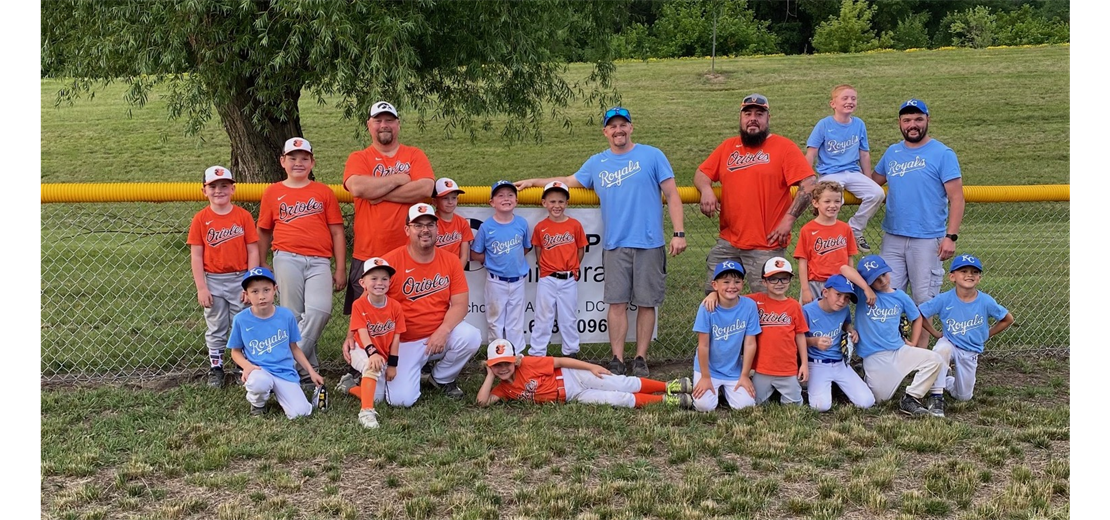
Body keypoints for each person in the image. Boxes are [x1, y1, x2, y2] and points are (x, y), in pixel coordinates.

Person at [514, 106, 687, 377]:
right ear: (605, 131)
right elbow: (569, 181)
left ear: (631, 127)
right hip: (615, 243)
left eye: (623, 125)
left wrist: (679, 233)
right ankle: (617, 358)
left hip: (650, 242)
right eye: (612, 126)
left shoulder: (652, 155)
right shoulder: (597, 162)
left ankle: (640, 357)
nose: (618, 130)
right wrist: (535, 181)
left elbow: (673, 195)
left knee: (646, 302)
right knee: (616, 303)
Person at [695, 93, 817, 295]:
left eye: (759, 114)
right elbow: (701, 173)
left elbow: (810, 183)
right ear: (741, 118)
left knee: (766, 305)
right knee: (714, 298)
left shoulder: (784, 147)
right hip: (729, 242)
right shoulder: (728, 147)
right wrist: (706, 189)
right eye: (748, 113)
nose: (753, 118)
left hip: (766, 245)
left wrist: (789, 219)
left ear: (768, 118)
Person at [873, 98, 965, 349]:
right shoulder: (892, 153)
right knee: (887, 296)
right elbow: (872, 182)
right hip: (893, 236)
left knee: (923, 302)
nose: (912, 125)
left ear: (927, 120)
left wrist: (951, 236)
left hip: (927, 239)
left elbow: (957, 198)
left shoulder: (942, 153)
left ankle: (920, 359)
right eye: (907, 120)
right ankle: (889, 353)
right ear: (900, 123)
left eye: (918, 119)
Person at [257, 137, 346, 383]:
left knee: (320, 311)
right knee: (292, 316)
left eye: (304, 158)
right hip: (287, 257)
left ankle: (286, 365)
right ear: (282, 161)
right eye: (293, 158)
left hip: (319, 261)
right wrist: (260, 263)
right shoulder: (273, 192)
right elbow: (264, 230)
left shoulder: (323, 192)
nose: (299, 163)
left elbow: (337, 231)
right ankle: (308, 370)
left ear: (312, 162)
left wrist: (340, 267)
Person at [381, 203, 482, 404]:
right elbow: (369, 306)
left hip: (438, 335)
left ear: (438, 229)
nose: (425, 230)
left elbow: (461, 304)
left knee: (471, 336)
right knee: (400, 400)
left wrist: (443, 330)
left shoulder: (451, 261)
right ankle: (411, 373)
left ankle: (442, 378)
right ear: (407, 229)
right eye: (418, 225)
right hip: (404, 342)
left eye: (430, 224)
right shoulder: (390, 262)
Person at [342, 100, 435, 317]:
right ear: (369, 125)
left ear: (398, 124)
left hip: (409, 253)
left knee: (409, 316)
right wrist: (400, 179)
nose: (384, 125)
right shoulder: (359, 157)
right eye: (378, 120)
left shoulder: (414, 155)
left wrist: (379, 193)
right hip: (368, 252)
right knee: (366, 318)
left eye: (389, 120)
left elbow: (425, 188)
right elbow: (358, 187)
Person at [843, 254, 948, 417]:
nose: (883, 281)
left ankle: (911, 397)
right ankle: (863, 372)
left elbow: (917, 317)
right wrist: (865, 288)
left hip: (898, 350)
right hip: (874, 355)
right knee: (880, 399)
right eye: (876, 279)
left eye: (884, 275)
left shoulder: (900, 296)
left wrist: (913, 342)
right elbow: (844, 269)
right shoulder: (864, 294)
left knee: (934, 359)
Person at [187, 165, 260, 388]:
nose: (219, 190)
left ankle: (243, 367)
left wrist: (250, 284)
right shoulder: (201, 219)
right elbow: (197, 255)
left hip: (240, 278)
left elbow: (253, 250)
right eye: (213, 186)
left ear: (233, 189)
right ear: (204, 191)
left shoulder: (243, 216)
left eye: (224, 186)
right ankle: (216, 367)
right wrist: (202, 287)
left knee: (243, 323)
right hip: (214, 280)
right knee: (216, 325)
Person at [477, 339, 693, 408]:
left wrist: (589, 367)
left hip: (572, 376)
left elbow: (560, 361)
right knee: (617, 399)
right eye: (497, 365)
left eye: (507, 362)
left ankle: (667, 386)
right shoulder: (503, 388)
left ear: (515, 360)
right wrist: (489, 376)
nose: (503, 368)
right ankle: (666, 401)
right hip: (572, 395)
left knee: (622, 383)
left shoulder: (529, 363)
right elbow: (482, 402)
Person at [227, 267, 325, 418]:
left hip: (284, 371)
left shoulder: (286, 315)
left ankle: (282, 392)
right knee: (258, 382)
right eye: (255, 291)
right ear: (246, 295)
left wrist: (311, 371)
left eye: (266, 290)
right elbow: (235, 351)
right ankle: (258, 405)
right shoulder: (241, 319)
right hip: (259, 369)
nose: (261, 296)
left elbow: (294, 348)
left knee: (301, 413)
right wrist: (247, 366)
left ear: (275, 290)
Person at [919, 254, 1015, 402]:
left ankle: (947, 379)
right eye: (963, 271)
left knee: (963, 397)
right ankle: (936, 396)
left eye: (974, 272)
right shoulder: (944, 299)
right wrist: (934, 333)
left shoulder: (985, 301)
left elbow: (1008, 319)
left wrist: (987, 334)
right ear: (952, 277)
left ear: (979, 278)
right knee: (941, 350)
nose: (969, 275)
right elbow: (919, 314)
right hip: (950, 342)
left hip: (970, 349)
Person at [804, 84, 884, 252]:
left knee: (877, 193)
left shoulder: (859, 124)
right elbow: (811, 152)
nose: (850, 101)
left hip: (852, 172)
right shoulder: (824, 124)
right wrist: (807, 176)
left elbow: (864, 154)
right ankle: (831, 237)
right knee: (833, 200)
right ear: (833, 103)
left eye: (853, 98)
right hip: (830, 173)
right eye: (845, 98)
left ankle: (854, 229)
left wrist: (868, 178)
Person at [337, 257, 407, 429]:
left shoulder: (395, 306)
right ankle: (366, 412)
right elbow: (363, 333)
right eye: (373, 278)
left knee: (377, 396)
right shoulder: (359, 304)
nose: (379, 283)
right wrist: (372, 353)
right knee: (371, 367)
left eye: (384, 278)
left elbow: (396, 337)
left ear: (390, 282)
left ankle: (348, 386)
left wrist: (393, 364)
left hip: (382, 354)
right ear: (363, 282)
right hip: (360, 349)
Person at [690, 260, 762, 412]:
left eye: (737, 281)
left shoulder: (749, 306)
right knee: (704, 407)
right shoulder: (707, 308)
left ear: (743, 283)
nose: (732, 286)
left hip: (734, 370)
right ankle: (709, 385)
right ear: (715, 285)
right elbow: (703, 345)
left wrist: (744, 375)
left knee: (746, 406)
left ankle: (723, 389)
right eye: (726, 282)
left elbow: (750, 344)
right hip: (709, 369)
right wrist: (705, 377)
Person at [471, 180, 532, 351]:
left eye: (510, 195)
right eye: (500, 195)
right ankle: (496, 356)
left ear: (516, 201)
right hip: (496, 281)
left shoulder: (521, 223)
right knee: (495, 322)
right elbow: (475, 253)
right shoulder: (487, 227)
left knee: (515, 322)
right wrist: (494, 261)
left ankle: (517, 356)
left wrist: (511, 259)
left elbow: (526, 248)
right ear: (492, 202)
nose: (506, 199)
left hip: (518, 280)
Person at [529, 181, 588, 358]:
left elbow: (580, 249)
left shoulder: (575, 225)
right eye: (552, 201)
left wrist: (574, 268)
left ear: (567, 204)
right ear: (544, 203)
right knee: (543, 317)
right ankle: (537, 353)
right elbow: (538, 251)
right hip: (548, 278)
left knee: (568, 317)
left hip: (568, 278)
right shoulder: (541, 227)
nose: (557, 206)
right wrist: (546, 268)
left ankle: (571, 352)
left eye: (561, 201)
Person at [802, 274, 875, 412]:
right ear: (825, 292)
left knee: (867, 401)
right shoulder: (807, 311)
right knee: (821, 406)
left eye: (847, 297)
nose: (842, 301)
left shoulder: (844, 309)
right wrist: (814, 341)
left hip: (840, 362)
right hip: (817, 363)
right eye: (838, 294)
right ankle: (818, 387)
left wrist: (850, 330)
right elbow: (797, 341)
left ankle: (836, 386)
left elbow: (845, 323)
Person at [746, 257, 809, 405]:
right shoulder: (755, 301)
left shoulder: (794, 306)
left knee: (794, 405)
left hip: (787, 369)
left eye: (784, 279)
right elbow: (732, 298)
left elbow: (800, 336)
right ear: (764, 282)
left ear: (790, 280)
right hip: (763, 368)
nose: (779, 283)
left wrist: (804, 364)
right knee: (753, 403)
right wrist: (713, 295)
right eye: (773, 279)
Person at [793, 181, 860, 305]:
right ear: (815, 203)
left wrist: (849, 282)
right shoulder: (808, 230)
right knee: (810, 317)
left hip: (839, 282)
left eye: (837, 201)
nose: (833, 205)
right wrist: (805, 289)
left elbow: (849, 258)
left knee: (837, 316)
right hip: (815, 283)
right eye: (827, 201)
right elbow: (803, 262)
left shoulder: (845, 228)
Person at [432, 177, 474, 267]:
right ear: (435, 201)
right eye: (445, 198)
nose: (450, 202)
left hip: (455, 269)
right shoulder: (430, 223)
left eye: (454, 198)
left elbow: (464, 256)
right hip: (434, 271)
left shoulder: (462, 223)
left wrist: (457, 273)